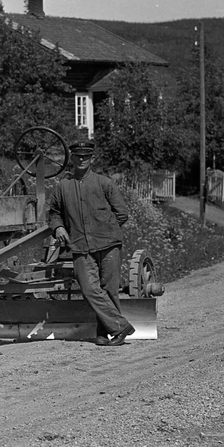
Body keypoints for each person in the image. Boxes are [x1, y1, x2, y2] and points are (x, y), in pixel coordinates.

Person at [45, 140, 136, 346]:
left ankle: (105, 333)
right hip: (79, 246)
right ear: (73, 158)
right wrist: (58, 227)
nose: (81, 159)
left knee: (109, 289)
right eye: (78, 156)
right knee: (88, 289)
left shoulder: (105, 183)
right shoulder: (63, 187)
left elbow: (122, 213)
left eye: (86, 156)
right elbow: (54, 213)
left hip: (109, 245)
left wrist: (104, 229)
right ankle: (121, 326)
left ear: (92, 158)